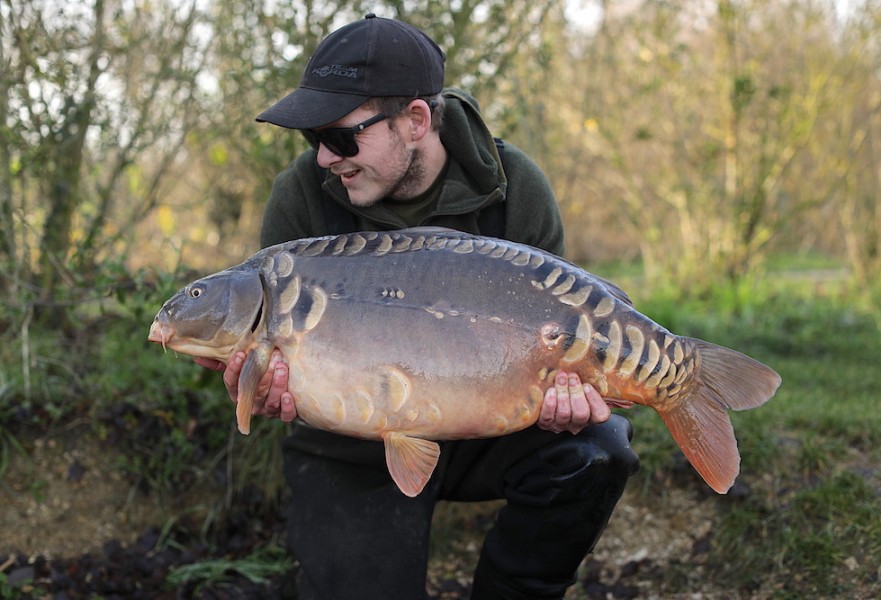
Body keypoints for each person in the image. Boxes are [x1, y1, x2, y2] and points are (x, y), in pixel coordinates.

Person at [197, 14, 639, 599]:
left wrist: (570, 391)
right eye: (313, 139)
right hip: (352, 439)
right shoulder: (301, 196)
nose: (325, 158)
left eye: (340, 137)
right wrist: (273, 387)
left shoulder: (515, 187)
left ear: (416, 120)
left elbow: (562, 332)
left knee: (596, 451)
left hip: (491, 420)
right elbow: (277, 353)